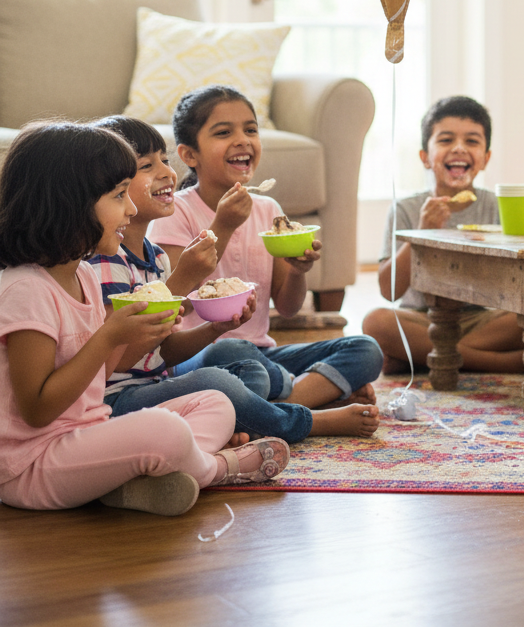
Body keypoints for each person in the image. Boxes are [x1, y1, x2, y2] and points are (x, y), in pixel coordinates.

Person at [0, 122, 289, 517]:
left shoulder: (82, 274)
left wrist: (126, 335)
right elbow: (36, 411)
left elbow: (106, 370)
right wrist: (107, 335)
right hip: (31, 466)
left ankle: (133, 481)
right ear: (71, 202)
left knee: (216, 403)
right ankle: (220, 468)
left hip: (85, 435)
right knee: (164, 432)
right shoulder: (25, 289)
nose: (131, 209)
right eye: (119, 195)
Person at [90, 115, 378, 440]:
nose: (167, 172)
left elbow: (164, 350)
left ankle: (257, 415)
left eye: (164, 160)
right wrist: (193, 265)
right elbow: (119, 357)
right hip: (118, 400)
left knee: (242, 360)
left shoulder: (153, 255)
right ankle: (306, 419)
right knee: (221, 382)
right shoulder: (104, 260)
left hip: (174, 375)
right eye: (147, 166)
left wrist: (216, 329)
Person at [363, 96, 524, 374]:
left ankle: (422, 357)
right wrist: (422, 233)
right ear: (425, 157)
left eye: (472, 141)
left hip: (481, 319)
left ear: (486, 158)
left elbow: (515, 285)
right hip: (422, 319)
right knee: (376, 322)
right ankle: (496, 363)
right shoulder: (405, 209)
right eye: (446, 140)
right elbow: (388, 291)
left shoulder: (499, 207)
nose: (459, 148)